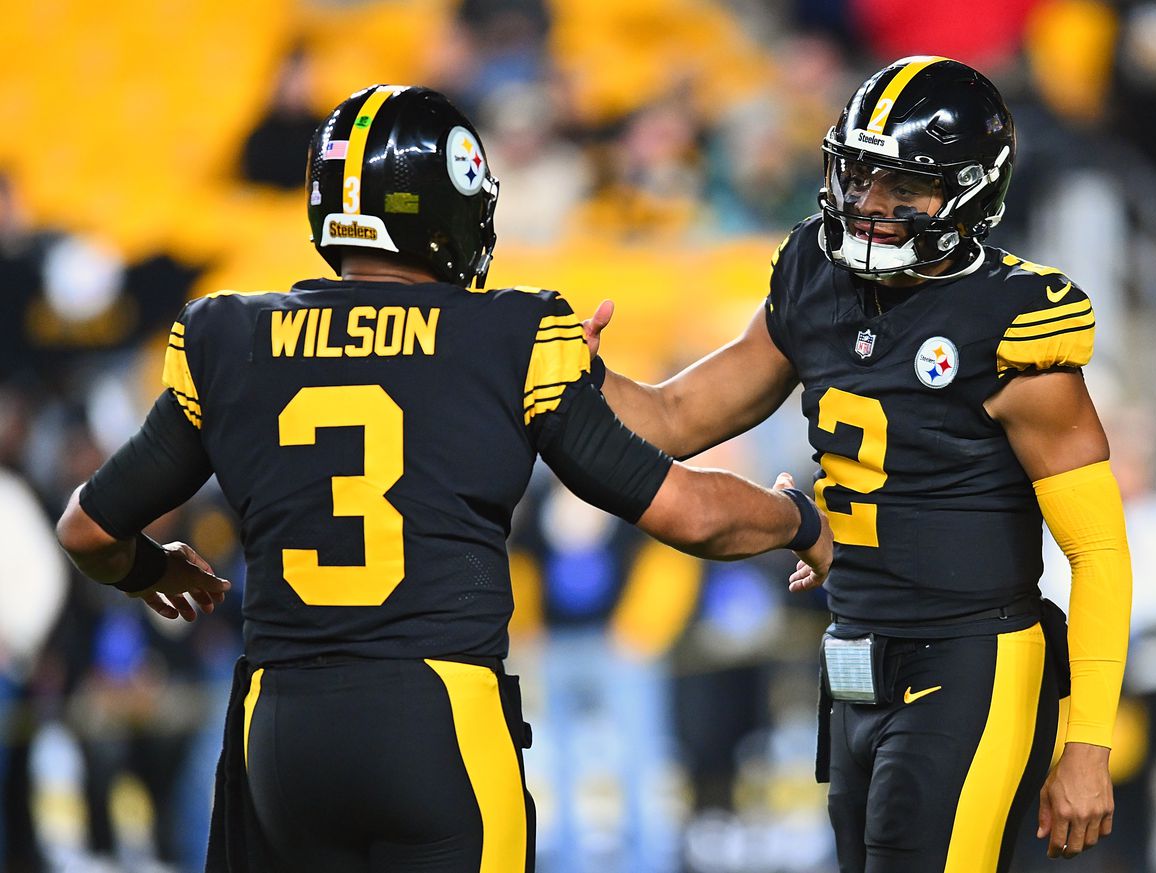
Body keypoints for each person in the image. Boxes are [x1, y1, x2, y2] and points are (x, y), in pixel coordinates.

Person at [53, 84, 833, 873]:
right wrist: (798, 520)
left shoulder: (225, 332)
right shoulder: (510, 332)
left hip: (280, 728)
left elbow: (86, 530)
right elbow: (691, 513)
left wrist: (152, 568)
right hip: (436, 722)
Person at [583, 56, 1132, 871]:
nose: (872, 206)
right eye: (861, 176)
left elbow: (1098, 552)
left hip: (973, 656)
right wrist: (584, 377)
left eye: (903, 188)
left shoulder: (1012, 320)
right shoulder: (813, 269)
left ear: (971, 191)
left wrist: (1087, 744)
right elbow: (675, 416)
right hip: (853, 651)